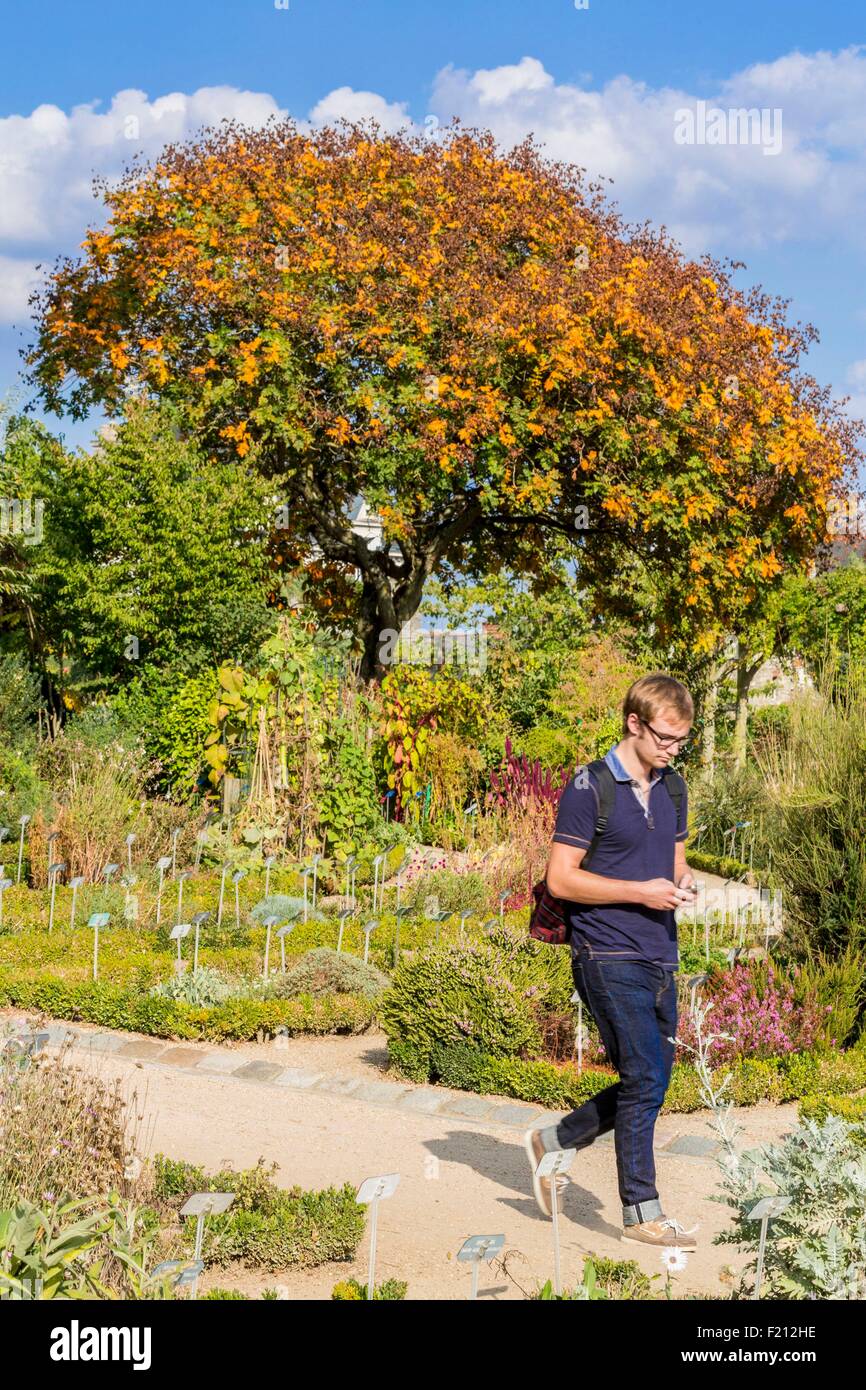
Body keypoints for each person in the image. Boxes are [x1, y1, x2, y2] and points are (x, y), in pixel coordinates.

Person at [524, 673, 699, 1249]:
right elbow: (561, 878)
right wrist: (638, 892)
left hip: (659, 950)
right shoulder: (588, 787)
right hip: (604, 949)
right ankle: (642, 1211)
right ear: (634, 723)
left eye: (681, 740)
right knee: (646, 1077)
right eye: (665, 738)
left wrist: (682, 881)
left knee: (648, 1080)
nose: (673, 750)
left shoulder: (673, 788)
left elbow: (672, 863)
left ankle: (554, 1141)